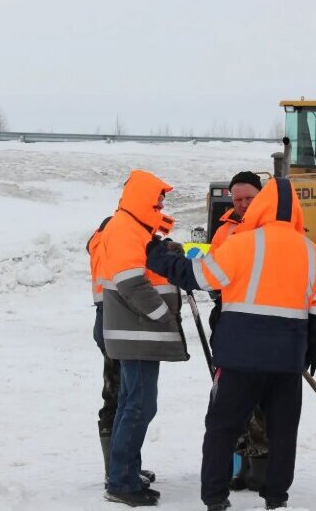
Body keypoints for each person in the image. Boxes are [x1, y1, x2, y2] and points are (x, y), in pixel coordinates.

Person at [146, 177, 316, 511]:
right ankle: (276, 497)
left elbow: (197, 277)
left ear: (262, 205)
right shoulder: (313, 253)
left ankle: (216, 498)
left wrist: (159, 258)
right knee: (283, 433)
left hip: (238, 359)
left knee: (222, 429)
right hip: (287, 362)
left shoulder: (241, 243)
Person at [100, 169, 189, 507]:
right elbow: (131, 282)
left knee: (133, 405)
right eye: (159, 198)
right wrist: (163, 317)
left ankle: (126, 473)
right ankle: (121, 481)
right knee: (138, 406)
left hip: (137, 333)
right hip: (136, 332)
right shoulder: (124, 228)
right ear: (143, 197)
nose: (162, 204)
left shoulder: (135, 229)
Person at [208, 171, 267, 492]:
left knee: (261, 398)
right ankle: (236, 463)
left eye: (249, 198)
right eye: (238, 199)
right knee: (229, 397)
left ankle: (260, 465)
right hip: (228, 322)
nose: (243, 205)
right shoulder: (224, 232)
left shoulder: (273, 228)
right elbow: (212, 272)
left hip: (264, 323)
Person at [88, 216, 156, 490]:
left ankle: (125, 467)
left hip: (107, 318)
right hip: (117, 320)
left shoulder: (101, 236)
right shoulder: (118, 235)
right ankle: (118, 470)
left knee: (121, 396)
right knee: (123, 399)